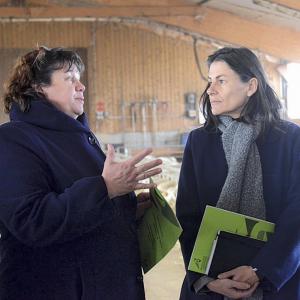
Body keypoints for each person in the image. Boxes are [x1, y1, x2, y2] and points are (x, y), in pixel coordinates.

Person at [0, 46, 162, 300]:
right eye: (70, 78)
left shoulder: (79, 137)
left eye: (79, 77)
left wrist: (126, 206)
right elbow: (32, 220)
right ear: (38, 87)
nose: (81, 86)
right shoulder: (13, 139)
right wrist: (105, 189)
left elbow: (89, 206)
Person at [176, 47, 300, 300]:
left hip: (274, 282)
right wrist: (204, 279)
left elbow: (297, 213)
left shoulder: (289, 139)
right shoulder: (199, 141)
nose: (211, 90)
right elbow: (188, 216)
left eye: (221, 80)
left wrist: (260, 270)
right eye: (210, 81)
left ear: (251, 85)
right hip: (213, 282)